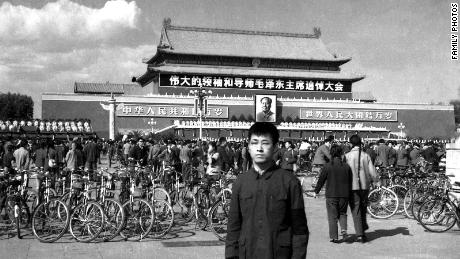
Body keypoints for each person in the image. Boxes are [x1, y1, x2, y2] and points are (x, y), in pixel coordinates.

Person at [226, 122, 308, 259]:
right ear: (249, 147)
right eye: (254, 143)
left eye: (265, 143)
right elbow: (233, 227)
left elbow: (299, 229)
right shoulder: (241, 182)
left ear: (275, 147)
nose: (259, 148)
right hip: (247, 253)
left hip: (279, 253)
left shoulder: (289, 182)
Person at [344, 134, 379, 243]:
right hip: (364, 186)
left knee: (356, 209)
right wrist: (376, 181)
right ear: (360, 143)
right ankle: (362, 230)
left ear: (351, 144)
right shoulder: (366, 155)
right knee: (363, 208)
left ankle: (360, 234)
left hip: (352, 186)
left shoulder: (347, 156)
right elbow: (372, 172)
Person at [314, 144, 352, 243]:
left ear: (331, 153)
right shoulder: (347, 166)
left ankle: (334, 236)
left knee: (332, 216)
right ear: (341, 154)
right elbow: (350, 181)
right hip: (344, 194)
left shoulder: (327, 166)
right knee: (343, 213)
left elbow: (321, 180)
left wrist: (316, 191)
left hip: (331, 194)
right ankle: (344, 230)